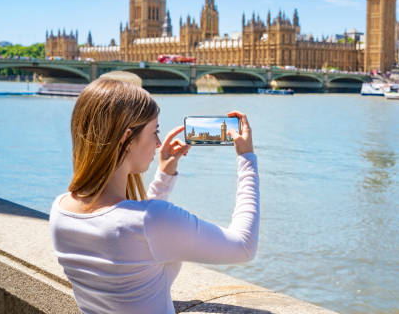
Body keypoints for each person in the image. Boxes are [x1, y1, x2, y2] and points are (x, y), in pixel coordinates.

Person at [49, 78, 259, 314]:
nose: (159, 144)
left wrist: (165, 174)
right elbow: (243, 247)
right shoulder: (151, 221)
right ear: (126, 138)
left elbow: (135, 243)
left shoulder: (60, 211)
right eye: (154, 131)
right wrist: (247, 158)